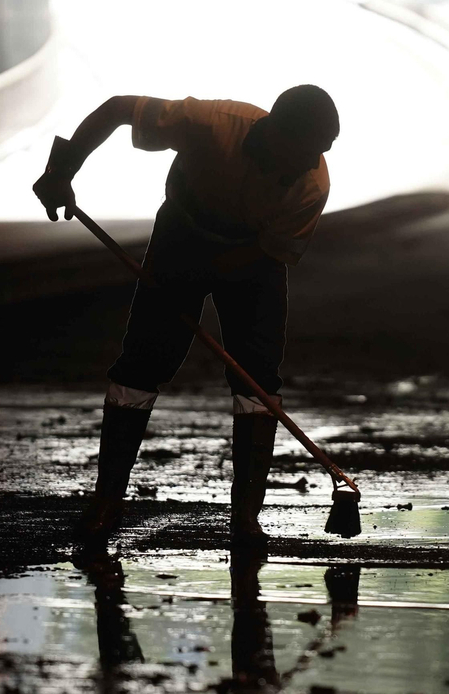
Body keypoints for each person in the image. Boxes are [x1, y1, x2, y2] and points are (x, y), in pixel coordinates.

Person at [32, 85, 338, 551]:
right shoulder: (211, 125)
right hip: (183, 233)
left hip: (253, 259)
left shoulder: (311, 185)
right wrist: (61, 170)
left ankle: (246, 520)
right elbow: (118, 109)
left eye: (319, 153)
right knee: (141, 365)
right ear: (275, 134)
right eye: (303, 152)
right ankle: (107, 500)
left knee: (256, 378)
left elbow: (265, 254)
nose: (309, 164)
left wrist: (206, 272)